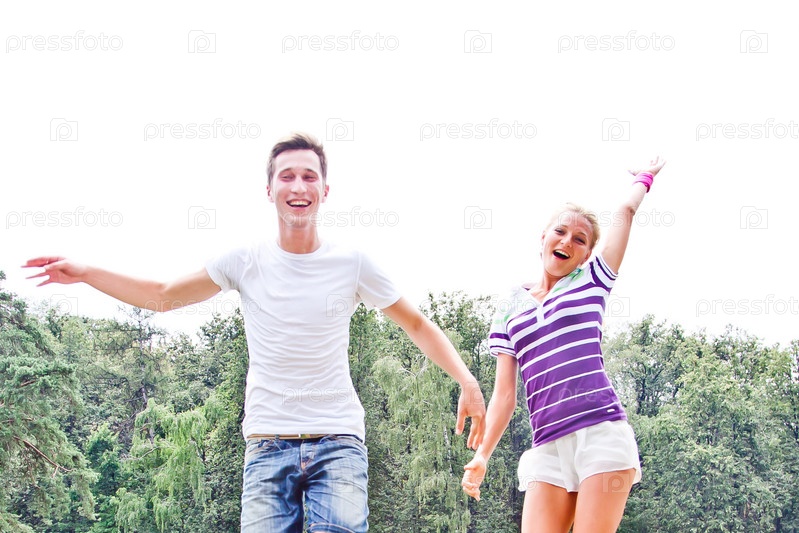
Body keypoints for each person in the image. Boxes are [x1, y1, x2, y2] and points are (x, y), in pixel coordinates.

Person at [25, 132, 486, 533]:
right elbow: (163, 295)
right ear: (269, 190)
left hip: (338, 441)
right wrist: (85, 273)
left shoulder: (352, 263)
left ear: (325, 190)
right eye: (287, 176)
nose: (298, 186)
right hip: (267, 443)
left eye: (309, 176)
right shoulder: (244, 260)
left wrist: (466, 379)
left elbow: (415, 322)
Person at [461, 157, 666, 533]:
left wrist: (644, 178)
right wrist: (483, 455)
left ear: (587, 255)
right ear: (543, 237)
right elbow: (504, 395)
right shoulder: (510, 306)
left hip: (601, 433)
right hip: (548, 446)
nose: (567, 241)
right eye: (560, 232)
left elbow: (625, 212)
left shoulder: (593, 281)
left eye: (580, 240)